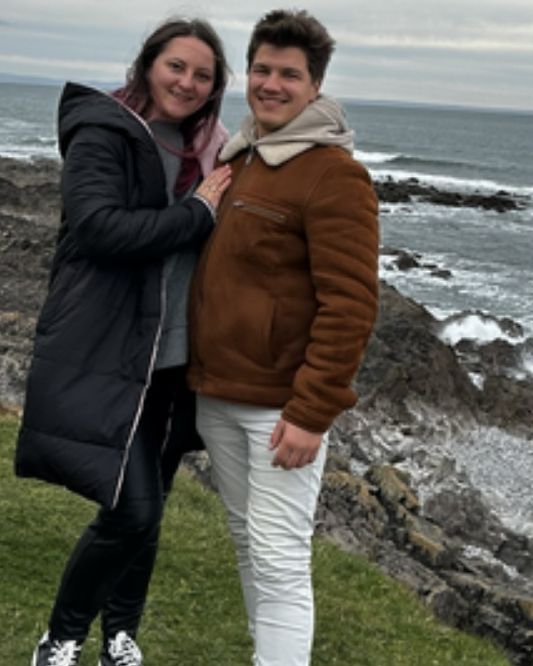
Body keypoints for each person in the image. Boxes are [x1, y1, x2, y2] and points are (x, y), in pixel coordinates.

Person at [13, 17, 232, 666]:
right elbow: (99, 228)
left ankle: (120, 635)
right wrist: (198, 212)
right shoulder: (105, 132)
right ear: (147, 64)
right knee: (131, 510)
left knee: (150, 506)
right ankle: (61, 638)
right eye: (176, 67)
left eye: (203, 75)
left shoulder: (215, 149)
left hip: (177, 358)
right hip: (113, 349)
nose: (187, 83)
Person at [188, 9, 379, 666]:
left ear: (315, 86)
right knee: (249, 543)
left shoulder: (333, 174)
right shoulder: (243, 156)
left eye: (289, 75)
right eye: (262, 70)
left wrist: (311, 412)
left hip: (279, 410)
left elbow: (350, 304)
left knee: (280, 562)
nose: (271, 84)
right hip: (218, 393)